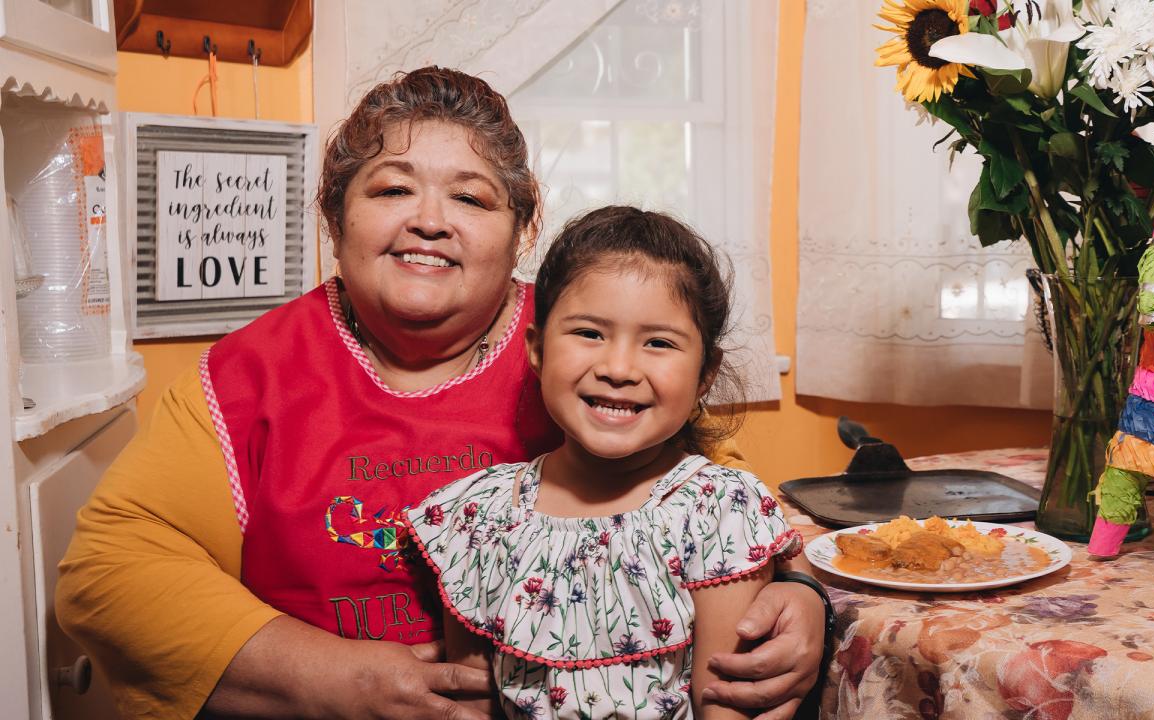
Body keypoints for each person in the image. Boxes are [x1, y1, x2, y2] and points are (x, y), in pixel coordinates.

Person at [54, 67, 827, 720]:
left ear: (522, 233)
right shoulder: (246, 373)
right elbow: (111, 575)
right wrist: (339, 680)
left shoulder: (587, 350)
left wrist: (799, 602)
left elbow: (715, 515)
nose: (429, 221)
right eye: (393, 189)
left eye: (472, 198)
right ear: (335, 216)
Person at [407, 206, 800, 719]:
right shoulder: (479, 515)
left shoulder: (719, 512)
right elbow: (471, 703)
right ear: (537, 350)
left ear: (705, 375)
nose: (618, 368)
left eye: (658, 343)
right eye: (589, 333)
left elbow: (728, 705)